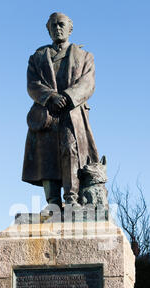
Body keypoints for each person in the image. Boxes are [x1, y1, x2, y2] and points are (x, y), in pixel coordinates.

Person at [22, 12, 99, 209]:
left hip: (71, 112)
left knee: (71, 151)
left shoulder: (84, 56)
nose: (58, 28)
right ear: (48, 29)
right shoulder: (37, 57)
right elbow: (33, 84)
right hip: (47, 113)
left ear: (70, 28)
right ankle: (53, 203)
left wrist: (67, 97)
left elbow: (87, 83)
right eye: (53, 25)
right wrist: (50, 97)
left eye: (61, 24)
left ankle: (72, 199)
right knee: (46, 156)